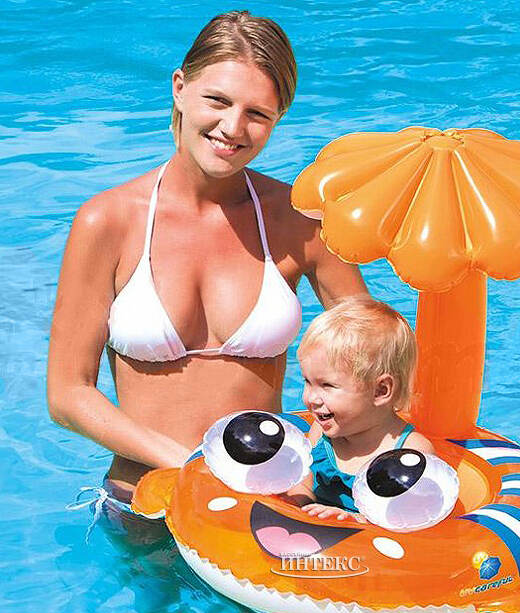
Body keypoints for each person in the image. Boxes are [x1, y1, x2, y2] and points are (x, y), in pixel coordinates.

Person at [47, 10, 367, 525]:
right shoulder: (107, 222)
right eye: (217, 100)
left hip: (270, 502)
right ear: (180, 88)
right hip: (144, 504)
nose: (232, 128)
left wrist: (313, 461)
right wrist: (195, 466)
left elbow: (376, 366)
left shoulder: (301, 221)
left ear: (279, 117)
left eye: (257, 113)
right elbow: (67, 395)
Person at [286, 296, 434, 521]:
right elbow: (302, 485)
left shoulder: (411, 453)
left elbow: (413, 521)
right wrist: (294, 503)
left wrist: (354, 520)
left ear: (380, 391)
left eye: (327, 385)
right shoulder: (321, 432)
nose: (310, 398)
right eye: (307, 381)